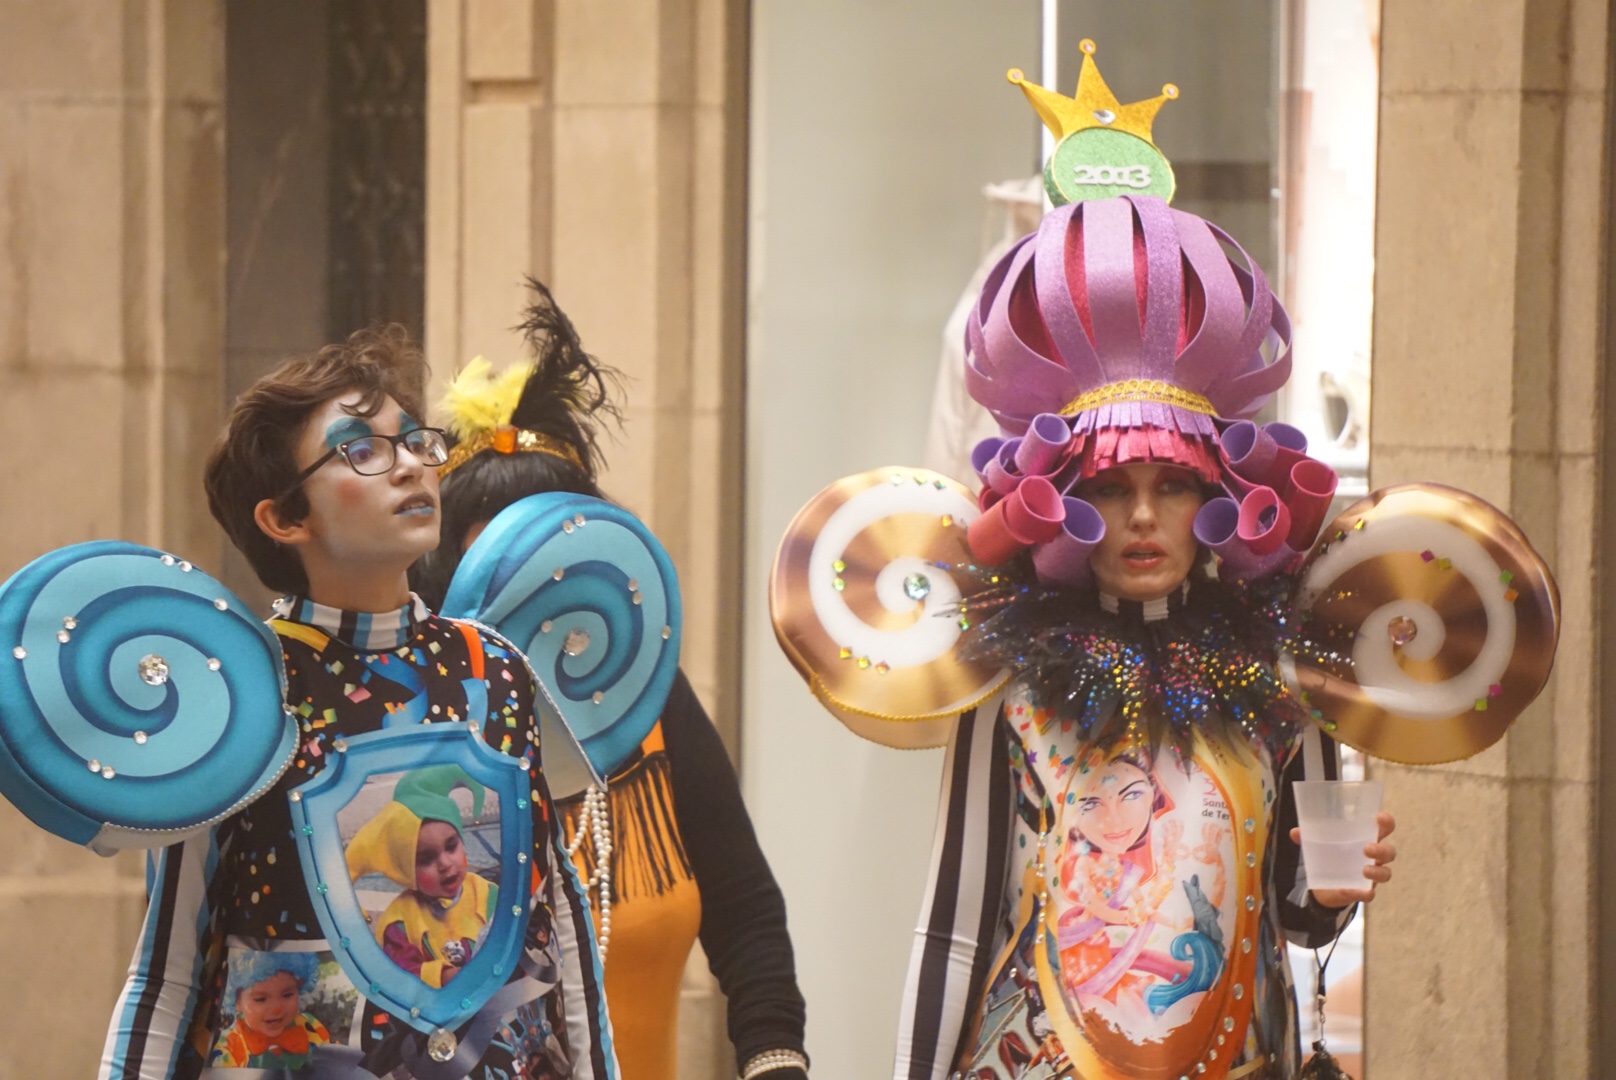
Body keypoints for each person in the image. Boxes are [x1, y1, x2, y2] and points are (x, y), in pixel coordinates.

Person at [889, 189, 1397, 1080]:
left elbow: (1296, 915)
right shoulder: (1011, 685)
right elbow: (953, 929)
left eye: (1173, 485)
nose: (1143, 517)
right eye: (1109, 489)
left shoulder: (1280, 678)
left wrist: (1331, 891)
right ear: (1066, 504)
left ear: (1215, 498)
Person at [98, 325, 617, 1080]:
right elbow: (166, 967)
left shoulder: (498, 667)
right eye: (363, 451)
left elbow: (561, 922)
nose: (408, 465)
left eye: (414, 441)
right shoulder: (238, 690)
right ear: (285, 518)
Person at [412, 280, 809, 1080]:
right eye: (498, 570)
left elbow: (746, 914)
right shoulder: (414, 728)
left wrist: (775, 1061)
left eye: (548, 561)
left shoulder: (656, 703)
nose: (529, 595)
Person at [345, 765, 499, 987]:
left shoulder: (488, 895)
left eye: (451, 846)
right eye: (426, 859)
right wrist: (443, 976)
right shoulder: (399, 925)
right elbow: (399, 978)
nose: (445, 864)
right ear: (406, 870)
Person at [209, 952, 331, 1069]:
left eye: (287, 995)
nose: (277, 1009)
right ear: (237, 1002)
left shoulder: (310, 1025)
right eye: (261, 999)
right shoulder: (230, 1046)